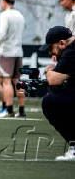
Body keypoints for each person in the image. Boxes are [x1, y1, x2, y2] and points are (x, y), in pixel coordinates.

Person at [40, 26, 75, 161]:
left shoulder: (71, 52)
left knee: (50, 102)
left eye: (51, 48)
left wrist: (49, 71)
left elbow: (53, 80)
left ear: (61, 43)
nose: (50, 53)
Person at [0, 0, 25, 118]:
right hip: (18, 51)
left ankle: (9, 109)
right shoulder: (20, 15)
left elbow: (2, 34)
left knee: (6, 81)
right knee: (18, 81)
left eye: (1, 2)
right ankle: (21, 110)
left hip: (6, 51)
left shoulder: (5, 15)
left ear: (4, 2)